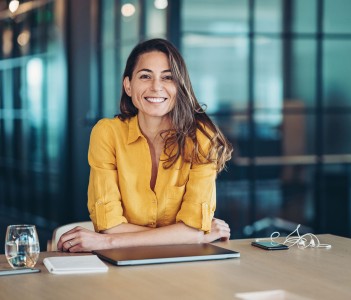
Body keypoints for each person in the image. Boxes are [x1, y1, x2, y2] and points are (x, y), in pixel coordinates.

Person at [57, 38, 233, 252]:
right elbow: (109, 227)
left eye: (168, 77)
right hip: (122, 263)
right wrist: (190, 236)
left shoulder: (201, 138)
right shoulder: (107, 133)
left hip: (186, 264)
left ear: (179, 87)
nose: (156, 87)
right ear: (128, 86)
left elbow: (192, 229)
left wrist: (107, 243)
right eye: (145, 76)